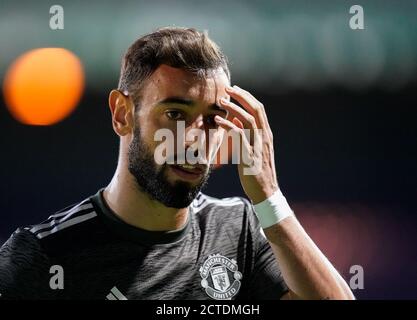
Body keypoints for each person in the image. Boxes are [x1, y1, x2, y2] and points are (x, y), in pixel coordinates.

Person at [0, 27, 354, 300]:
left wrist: (269, 197)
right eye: (175, 113)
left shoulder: (239, 228)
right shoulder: (43, 256)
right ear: (123, 114)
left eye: (214, 119)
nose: (195, 138)